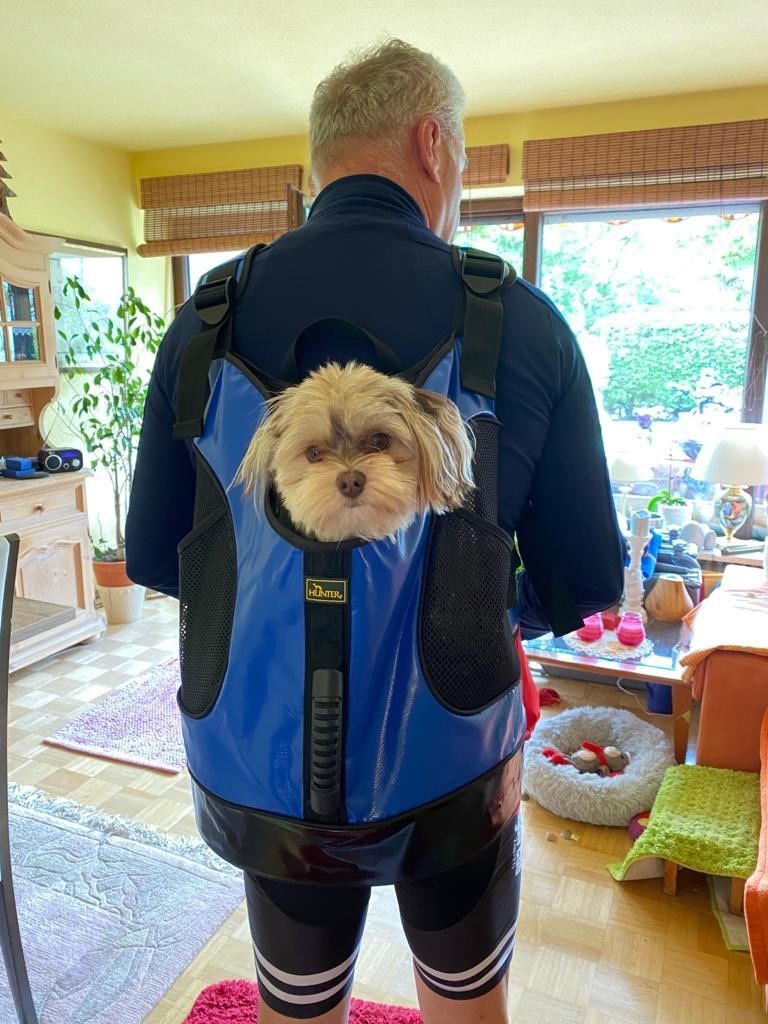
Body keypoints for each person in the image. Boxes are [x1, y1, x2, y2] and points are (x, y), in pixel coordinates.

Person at [126, 39, 624, 1024]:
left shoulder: (204, 318)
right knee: (465, 1002)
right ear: (434, 144)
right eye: (464, 160)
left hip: (264, 772)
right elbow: (588, 578)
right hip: (456, 769)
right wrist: (472, 605)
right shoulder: (521, 320)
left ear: (321, 160)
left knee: (297, 1006)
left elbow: (154, 554)